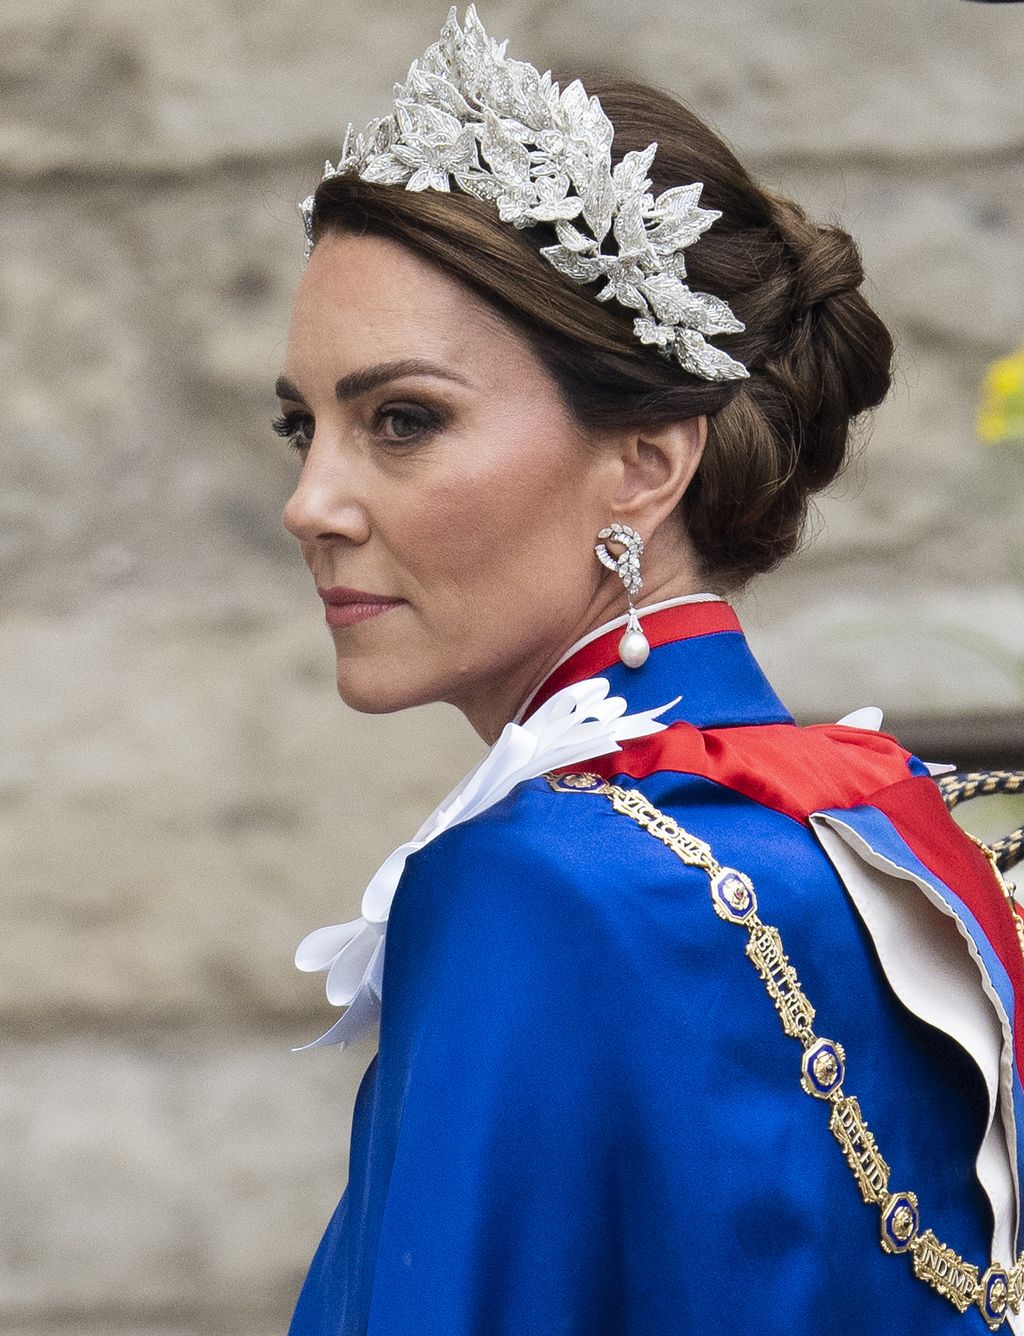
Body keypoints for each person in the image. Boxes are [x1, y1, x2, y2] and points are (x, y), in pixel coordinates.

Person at [275, 8, 1024, 1332]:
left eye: (402, 420)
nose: (312, 502)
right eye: (303, 426)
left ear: (645, 462)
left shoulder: (536, 884)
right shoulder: (886, 822)